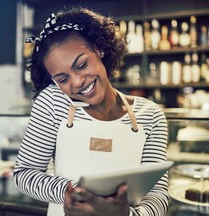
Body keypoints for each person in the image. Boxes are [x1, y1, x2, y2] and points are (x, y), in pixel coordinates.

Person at [13, 7, 169, 216]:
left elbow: (158, 194)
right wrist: (75, 193)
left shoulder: (150, 114)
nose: (77, 82)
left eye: (81, 64)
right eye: (62, 78)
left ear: (99, 49)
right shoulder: (52, 102)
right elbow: (24, 175)